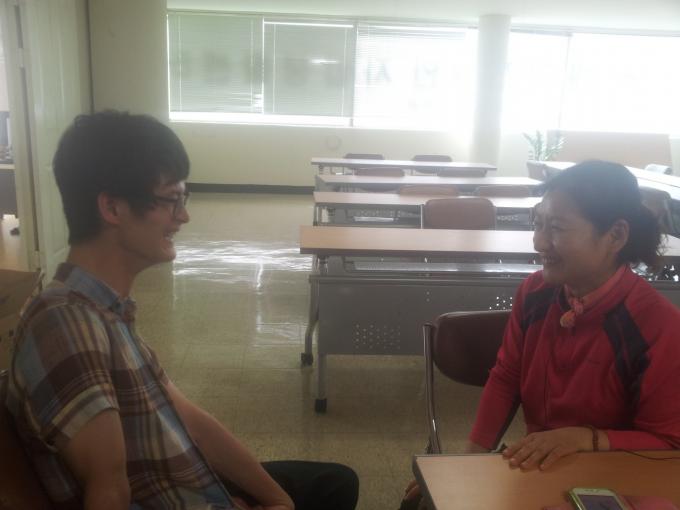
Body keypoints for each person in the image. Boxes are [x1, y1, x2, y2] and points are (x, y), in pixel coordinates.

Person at [5, 111, 359, 510]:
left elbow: (188, 418)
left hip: (184, 478)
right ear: (113, 208)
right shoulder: (67, 325)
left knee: (333, 483)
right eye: (171, 200)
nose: (184, 216)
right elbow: (110, 493)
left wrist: (280, 501)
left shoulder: (105, 309)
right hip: (175, 497)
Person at [401, 160, 680, 509]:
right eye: (538, 224)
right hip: (542, 470)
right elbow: (507, 377)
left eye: (557, 228)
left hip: (618, 484)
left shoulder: (657, 326)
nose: (539, 242)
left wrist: (587, 439)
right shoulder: (536, 293)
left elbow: (669, 443)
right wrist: (467, 462)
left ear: (616, 236)